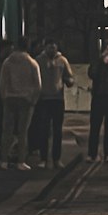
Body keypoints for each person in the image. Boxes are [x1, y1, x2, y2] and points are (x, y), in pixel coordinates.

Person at [0, 36, 41, 170]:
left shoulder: (8, 62)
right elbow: (38, 85)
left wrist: (4, 96)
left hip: (10, 98)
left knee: (7, 131)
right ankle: (21, 161)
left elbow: (2, 82)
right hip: (26, 100)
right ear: (27, 46)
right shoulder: (32, 63)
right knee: (23, 132)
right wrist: (33, 100)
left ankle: (4, 160)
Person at [35, 39, 74, 168]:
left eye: (54, 48)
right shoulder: (39, 60)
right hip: (43, 99)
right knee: (43, 130)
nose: (52, 50)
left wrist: (69, 80)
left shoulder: (62, 60)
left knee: (57, 131)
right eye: (50, 47)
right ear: (45, 48)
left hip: (57, 99)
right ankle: (43, 158)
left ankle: (56, 159)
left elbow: (70, 76)